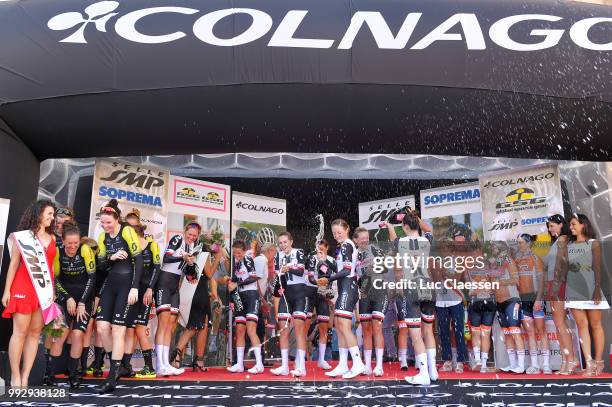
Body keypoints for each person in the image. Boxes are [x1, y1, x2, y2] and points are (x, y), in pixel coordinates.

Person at [2, 199, 57, 387]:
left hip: (43, 292)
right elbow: (14, 264)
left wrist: (52, 291)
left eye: (53, 214)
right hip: (22, 288)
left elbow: (50, 269)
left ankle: (26, 377)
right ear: (39, 213)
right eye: (49, 213)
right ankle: (15, 376)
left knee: (35, 334)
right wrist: (7, 290)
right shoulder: (24, 237)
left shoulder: (53, 238)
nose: (52, 217)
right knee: (19, 332)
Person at [94, 199, 144, 393]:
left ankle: (112, 375)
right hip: (111, 283)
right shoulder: (102, 237)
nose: (105, 226)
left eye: (108, 222)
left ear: (117, 219)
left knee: (118, 330)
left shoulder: (127, 231)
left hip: (127, 284)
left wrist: (135, 288)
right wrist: (111, 257)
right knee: (102, 327)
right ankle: (117, 363)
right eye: (102, 222)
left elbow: (138, 260)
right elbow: (101, 266)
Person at [46, 221, 96, 388]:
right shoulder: (58, 252)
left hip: (84, 298)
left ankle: (73, 374)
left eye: (75, 243)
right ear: (63, 240)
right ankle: (50, 374)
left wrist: (82, 302)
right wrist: (67, 298)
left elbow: (92, 278)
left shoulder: (85, 250)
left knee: (77, 335)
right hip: (64, 298)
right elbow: (56, 279)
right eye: (69, 244)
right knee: (60, 334)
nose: (73, 246)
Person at [392, 212, 436, 385]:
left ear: (405, 227)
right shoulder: (427, 240)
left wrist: (390, 226)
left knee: (416, 336)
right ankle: (432, 372)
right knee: (428, 331)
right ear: (417, 224)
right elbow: (429, 229)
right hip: (428, 288)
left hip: (412, 289)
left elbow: (393, 237)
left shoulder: (400, 242)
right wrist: (415, 218)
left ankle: (424, 374)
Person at [318, 219, 365, 379]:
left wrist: (329, 279)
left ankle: (358, 363)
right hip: (344, 288)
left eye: (339, 232)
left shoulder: (346, 245)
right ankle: (343, 364)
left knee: (344, 327)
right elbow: (340, 268)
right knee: (338, 326)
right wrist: (325, 259)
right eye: (334, 233)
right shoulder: (342, 247)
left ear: (347, 229)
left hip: (348, 288)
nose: (337, 235)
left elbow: (346, 270)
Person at [565, 214, 609, 376]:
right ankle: (589, 363)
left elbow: (598, 268)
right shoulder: (568, 245)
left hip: (591, 289)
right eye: (570, 225)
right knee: (581, 326)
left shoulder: (593, 243)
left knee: (596, 325)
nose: (571, 227)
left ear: (583, 225)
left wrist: (597, 289)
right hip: (573, 290)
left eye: (574, 224)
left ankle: (599, 362)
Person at [170, 236, 223, 372]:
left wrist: (213, 294)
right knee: (195, 326)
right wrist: (218, 256)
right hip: (198, 294)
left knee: (200, 326)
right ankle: (177, 353)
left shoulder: (194, 256)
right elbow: (210, 273)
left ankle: (196, 360)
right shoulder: (204, 255)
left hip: (196, 293)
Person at [155, 222, 200, 376]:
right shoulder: (178, 239)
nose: (192, 237)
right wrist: (183, 258)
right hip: (164, 283)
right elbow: (166, 258)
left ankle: (166, 363)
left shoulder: (190, 248)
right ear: (185, 231)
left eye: (195, 235)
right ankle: (159, 364)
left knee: (171, 325)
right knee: (163, 323)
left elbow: (187, 274)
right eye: (190, 233)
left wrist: (191, 269)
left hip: (175, 286)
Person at [124, 209, 161, 378]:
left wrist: (150, 289)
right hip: (131, 292)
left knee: (139, 329)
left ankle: (149, 367)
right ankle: (125, 366)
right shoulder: (129, 247)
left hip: (145, 293)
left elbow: (157, 269)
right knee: (130, 330)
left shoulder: (152, 245)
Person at [543, 214, 578, 375]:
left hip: (559, 283)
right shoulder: (557, 241)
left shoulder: (563, 239)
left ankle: (572, 360)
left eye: (552, 226)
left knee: (561, 323)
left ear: (561, 224)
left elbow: (561, 264)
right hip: (553, 283)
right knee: (559, 324)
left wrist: (557, 285)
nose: (550, 229)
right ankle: (566, 360)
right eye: (548, 226)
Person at [271, 232, 308, 377]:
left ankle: (301, 366)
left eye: (285, 242)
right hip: (286, 294)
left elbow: (301, 271)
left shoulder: (298, 252)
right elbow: (277, 275)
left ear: (291, 242)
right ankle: (285, 366)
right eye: (280, 243)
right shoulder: (278, 256)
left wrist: (289, 268)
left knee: (299, 328)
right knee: (283, 328)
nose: (282, 245)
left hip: (299, 292)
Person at [354, 227, 388, 377]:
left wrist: (376, 268)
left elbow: (386, 268)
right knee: (366, 330)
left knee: (377, 328)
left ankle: (379, 365)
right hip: (364, 295)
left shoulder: (375, 249)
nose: (365, 240)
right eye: (362, 238)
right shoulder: (353, 254)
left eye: (366, 237)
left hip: (379, 291)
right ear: (355, 240)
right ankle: (367, 365)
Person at [226, 239, 264, 374]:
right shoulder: (235, 264)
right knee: (240, 331)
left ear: (244, 251)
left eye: (239, 253)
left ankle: (259, 363)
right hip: (240, 298)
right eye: (235, 253)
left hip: (251, 296)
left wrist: (238, 283)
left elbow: (254, 277)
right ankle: (239, 364)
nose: (237, 255)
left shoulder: (247, 259)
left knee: (251, 330)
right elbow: (235, 282)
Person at [488, 241, 525, 374]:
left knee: (515, 332)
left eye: (494, 247)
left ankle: (520, 366)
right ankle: (513, 364)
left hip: (511, 300)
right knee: (507, 334)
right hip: (500, 302)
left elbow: (516, 280)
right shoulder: (493, 263)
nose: (492, 249)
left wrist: (499, 282)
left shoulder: (508, 259)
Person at [514, 233, 550, 374]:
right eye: (518, 242)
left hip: (536, 298)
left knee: (541, 331)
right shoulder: (516, 259)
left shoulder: (536, 258)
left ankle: (546, 364)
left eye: (522, 242)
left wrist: (539, 299)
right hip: (523, 299)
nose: (519, 245)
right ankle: (534, 364)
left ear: (529, 243)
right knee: (530, 333)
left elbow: (541, 281)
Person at [433, 238, 467, 374]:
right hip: (441, 301)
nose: (444, 251)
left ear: (452, 249)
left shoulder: (458, 261)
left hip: (456, 300)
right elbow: (434, 281)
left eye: (447, 248)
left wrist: (443, 272)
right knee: (444, 332)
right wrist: (436, 272)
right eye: (442, 248)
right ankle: (447, 360)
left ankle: (460, 361)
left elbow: (456, 280)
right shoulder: (437, 262)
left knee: (459, 331)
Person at [463, 240, 495, 373]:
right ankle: (480, 362)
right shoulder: (486, 263)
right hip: (478, 300)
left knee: (482, 333)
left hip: (482, 300)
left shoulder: (485, 264)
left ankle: (481, 362)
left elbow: (494, 283)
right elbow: (467, 284)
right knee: (481, 333)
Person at [306, 239, 336, 370]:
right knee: (304, 326)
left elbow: (333, 279)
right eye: (318, 249)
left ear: (327, 248)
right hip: (310, 292)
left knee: (324, 327)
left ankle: (321, 360)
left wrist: (330, 295)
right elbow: (308, 277)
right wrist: (316, 283)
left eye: (322, 249)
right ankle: (301, 360)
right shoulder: (311, 258)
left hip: (323, 295)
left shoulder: (331, 261)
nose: (320, 251)